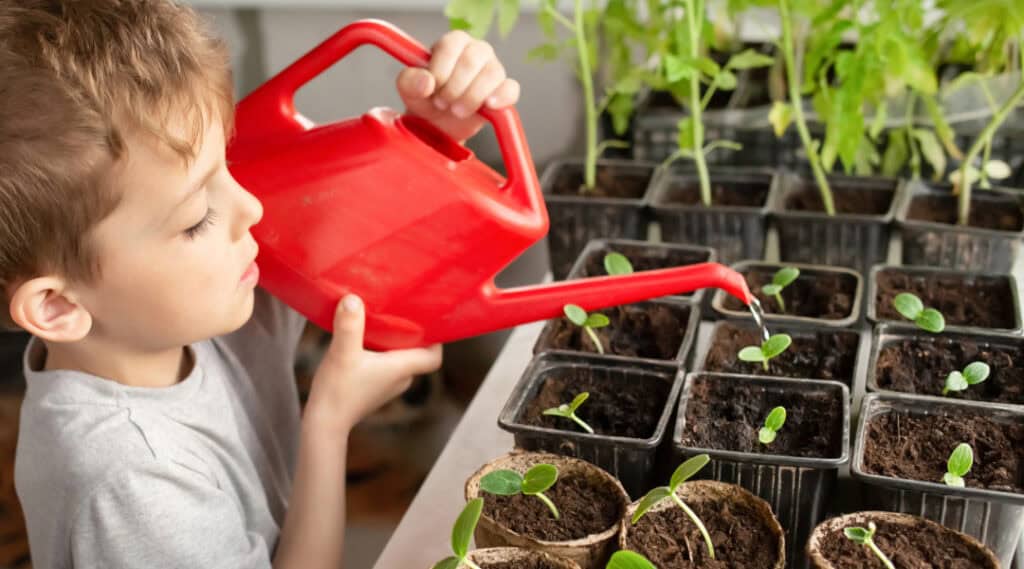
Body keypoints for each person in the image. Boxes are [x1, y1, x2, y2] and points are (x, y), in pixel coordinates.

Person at [0, 1, 521, 567]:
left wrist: (435, 134)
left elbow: (342, 234)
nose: (248, 206)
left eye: (228, 162)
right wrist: (330, 422)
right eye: (197, 215)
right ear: (56, 306)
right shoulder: (129, 483)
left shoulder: (167, 307)